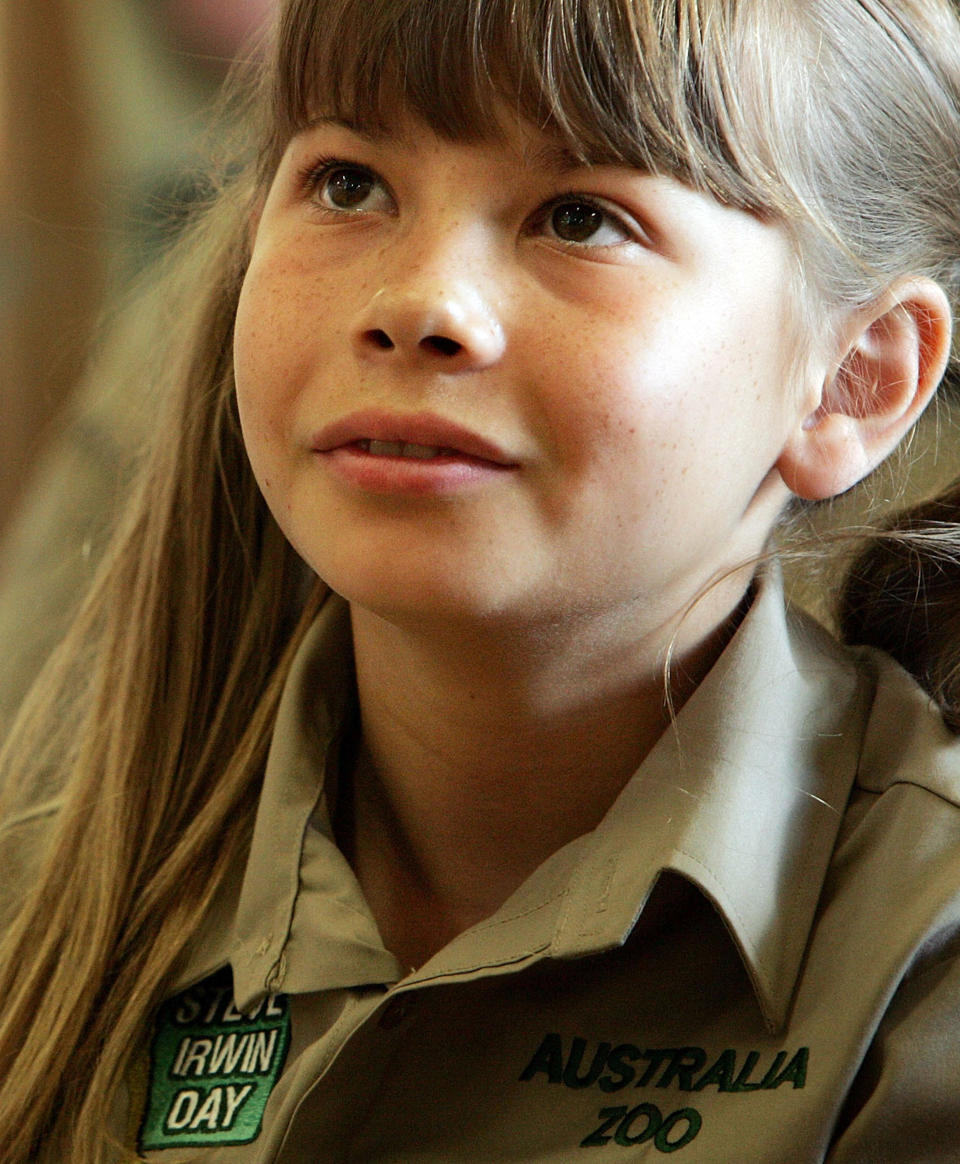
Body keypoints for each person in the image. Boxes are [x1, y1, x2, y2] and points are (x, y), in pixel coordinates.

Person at [0, 0, 959, 1159]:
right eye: (349, 184)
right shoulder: (50, 899)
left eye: (581, 217)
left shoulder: (925, 961)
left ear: (852, 380)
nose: (419, 304)